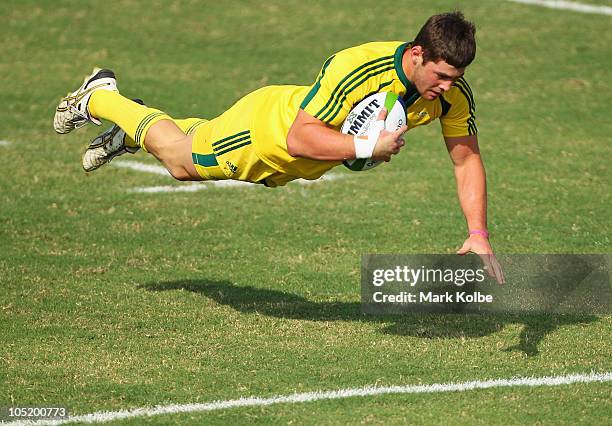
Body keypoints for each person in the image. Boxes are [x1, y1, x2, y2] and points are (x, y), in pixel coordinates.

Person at [53, 11, 504, 283]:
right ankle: (101, 96)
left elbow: (466, 160)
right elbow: (298, 136)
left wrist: (478, 233)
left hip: (293, 161)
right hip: (267, 133)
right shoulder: (358, 66)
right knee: (180, 161)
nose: (446, 88)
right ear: (417, 55)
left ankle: (129, 125)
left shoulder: (450, 98)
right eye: (441, 76)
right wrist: (367, 147)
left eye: (455, 79)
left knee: (194, 137)